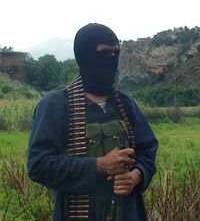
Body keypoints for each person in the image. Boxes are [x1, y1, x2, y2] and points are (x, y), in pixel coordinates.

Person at [27, 23, 158, 221]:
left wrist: (137, 176)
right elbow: (39, 165)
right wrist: (98, 166)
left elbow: (147, 151)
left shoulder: (125, 103)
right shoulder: (56, 104)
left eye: (116, 52)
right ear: (85, 55)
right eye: (105, 52)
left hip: (128, 213)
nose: (112, 59)